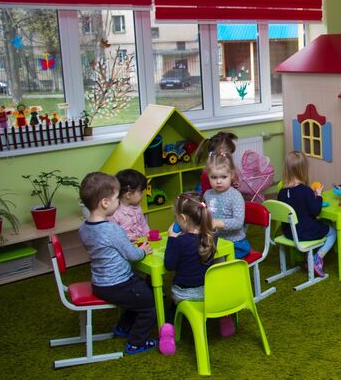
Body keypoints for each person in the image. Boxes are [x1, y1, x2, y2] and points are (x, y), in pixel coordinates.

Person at [78, 172, 157, 355]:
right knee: (149, 303)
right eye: (116, 199)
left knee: (139, 295)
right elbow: (132, 255)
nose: (118, 202)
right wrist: (143, 251)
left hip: (99, 283)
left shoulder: (83, 228)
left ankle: (123, 327)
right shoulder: (112, 229)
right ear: (105, 203)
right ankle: (136, 343)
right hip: (118, 284)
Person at [159, 192, 235, 355]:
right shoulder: (212, 236)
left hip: (184, 294)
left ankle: (167, 330)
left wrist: (172, 238)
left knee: (172, 305)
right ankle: (224, 318)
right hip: (209, 292)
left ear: (183, 219)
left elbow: (169, 265)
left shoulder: (179, 242)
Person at [277, 151, 337, 277]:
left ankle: (307, 257)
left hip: (289, 232)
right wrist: (318, 196)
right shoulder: (305, 191)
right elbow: (316, 211)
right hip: (304, 232)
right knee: (333, 232)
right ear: (303, 170)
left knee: (324, 223)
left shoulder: (282, 192)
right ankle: (317, 258)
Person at [202, 152, 250, 259]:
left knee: (218, 261)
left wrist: (217, 223)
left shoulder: (235, 196)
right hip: (214, 241)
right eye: (213, 177)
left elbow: (238, 222)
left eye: (224, 177)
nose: (218, 181)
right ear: (208, 176)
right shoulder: (207, 194)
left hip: (235, 243)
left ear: (231, 175)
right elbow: (203, 214)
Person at [108, 169, 149, 242]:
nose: (142, 194)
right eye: (140, 192)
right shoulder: (114, 214)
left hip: (142, 243)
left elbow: (143, 224)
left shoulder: (137, 207)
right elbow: (114, 237)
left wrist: (148, 235)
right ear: (128, 195)